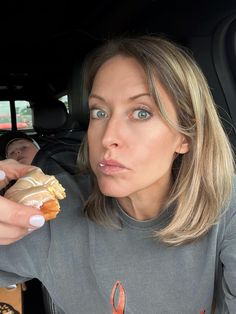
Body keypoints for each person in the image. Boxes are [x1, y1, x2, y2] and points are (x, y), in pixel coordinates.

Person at [0, 35, 235, 313]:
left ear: (186, 137)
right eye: (99, 112)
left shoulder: (226, 207)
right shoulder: (53, 212)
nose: (107, 137)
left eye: (141, 113)